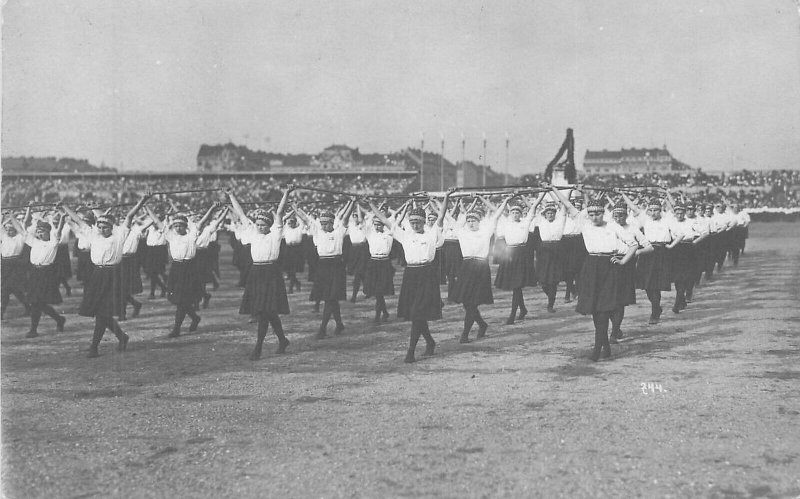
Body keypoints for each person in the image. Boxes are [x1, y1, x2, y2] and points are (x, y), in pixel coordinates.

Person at [63, 195, 150, 357]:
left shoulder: (119, 237)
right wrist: (64, 206)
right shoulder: (94, 236)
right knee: (101, 313)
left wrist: (143, 201)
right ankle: (122, 337)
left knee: (103, 313)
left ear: (112, 227)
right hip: (97, 275)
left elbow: (130, 216)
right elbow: (79, 221)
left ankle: (94, 347)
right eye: (100, 227)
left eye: (106, 227)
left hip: (112, 275)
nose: (103, 230)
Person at [372, 190, 451, 362]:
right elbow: (385, 220)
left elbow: (441, 215)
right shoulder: (405, 235)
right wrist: (371, 204)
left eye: (418, 222)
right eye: (412, 221)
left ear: (424, 222)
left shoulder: (431, 234)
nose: (415, 224)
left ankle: (411, 351)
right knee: (416, 314)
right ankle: (429, 342)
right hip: (411, 275)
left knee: (418, 314)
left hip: (427, 274)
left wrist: (446, 197)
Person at [145, 202, 226, 338]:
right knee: (179, 300)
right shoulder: (171, 236)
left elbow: (203, 221)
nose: (178, 228)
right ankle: (194, 318)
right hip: (176, 268)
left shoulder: (191, 235)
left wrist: (212, 208)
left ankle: (177, 328)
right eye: (175, 226)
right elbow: (157, 221)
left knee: (183, 301)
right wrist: (146, 206)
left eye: (180, 226)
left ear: (185, 226)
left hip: (189, 268)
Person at [228, 187, 292, 359]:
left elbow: (279, 212)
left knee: (266, 312)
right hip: (256, 272)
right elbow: (241, 214)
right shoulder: (252, 233)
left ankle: (258, 348)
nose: (260, 227)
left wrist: (286, 193)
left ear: (270, 226)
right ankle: (282, 340)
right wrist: (231, 195)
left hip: (271, 273)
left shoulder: (275, 235)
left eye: (263, 225)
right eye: (258, 225)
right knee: (267, 311)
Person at [575, 198, 637, 361]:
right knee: (595, 309)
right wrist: (580, 192)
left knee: (603, 309)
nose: (594, 217)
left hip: (609, 268)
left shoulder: (613, 226)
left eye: (598, 213)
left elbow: (633, 244)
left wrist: (623, 261)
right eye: (591, 214)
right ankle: (606, 347)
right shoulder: (585, 225)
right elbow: (569, 207)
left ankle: (597, 350)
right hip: (591, 267)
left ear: (604, 213)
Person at [450, 195, 508, 343]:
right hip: (466, 268)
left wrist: (504, 201)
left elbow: (496, 214)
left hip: (481, 268)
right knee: (466, 302)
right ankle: (482, 324)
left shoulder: (485, 231)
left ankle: (465, 334)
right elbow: (446, 217)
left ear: (479, 221)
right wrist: (442, 199)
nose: (471, 223)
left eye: (473, 220)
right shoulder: (462, 232)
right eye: (468, 221)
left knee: (473, 303)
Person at [294, 198, 355, 339]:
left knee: (330, 298)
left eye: (326, 223)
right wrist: (295, 207)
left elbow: (345, 218)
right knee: (330, 298)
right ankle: (339, 324)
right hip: (322, 266)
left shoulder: (339, 231)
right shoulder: (318, 232)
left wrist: (352, 202)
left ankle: (322, 329)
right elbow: (305, 219)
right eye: (321, 223)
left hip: (336, 265)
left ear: (332, 223)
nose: (323, 226)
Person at [7, 214, 66, 337]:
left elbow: (59, 230)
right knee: (37, 302)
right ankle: (58, 319)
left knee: (37, 303)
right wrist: (12, 217)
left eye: (42, 232)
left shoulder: (53, 243)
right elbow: (21, 230)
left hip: (46, 274)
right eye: (38, 232)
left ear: (48, 232)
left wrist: (62, 218)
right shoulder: (34, 242)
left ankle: (34, 329)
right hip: (35, 273)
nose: (39, 234)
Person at [494, 193, 543, 325]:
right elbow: (496, 212)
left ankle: (512, 315)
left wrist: (541, 194)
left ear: (521, 214)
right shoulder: (506, 222)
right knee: (516, 286)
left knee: (517, 286)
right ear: (510, 213)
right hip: (510, 254)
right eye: (513, 212)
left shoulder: (526, 222)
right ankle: (523, 309)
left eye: (517, 212)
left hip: (522, 255)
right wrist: (506, 200)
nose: (515, 214)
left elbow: (533, 207)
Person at [607, 199, 652, 342]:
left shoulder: (633, 229)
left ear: (626, 216)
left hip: (626, 266)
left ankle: (614, 331)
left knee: (620, 299)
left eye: (621, 215)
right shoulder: (609, 228)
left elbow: (649, 247)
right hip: (609, 263)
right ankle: (616, 327)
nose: (619, 218)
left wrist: (636, 253)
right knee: (607, 298)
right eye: (616, 216)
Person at [635, 197, 682, 325]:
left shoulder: (667, 221)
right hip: (647, 252)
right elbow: (634, 228)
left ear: (660, 210)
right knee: (646, 284)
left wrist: (671, 246)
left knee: (657, 284)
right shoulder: (645, 220)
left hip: (662, 253)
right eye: (650, 210)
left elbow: (680, 234)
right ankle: (656, 306)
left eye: (656, 210)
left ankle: (655, 310)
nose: (653, 212)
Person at [364, 201, 396, 323]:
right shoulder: (370, 234)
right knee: (377, 291)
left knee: (380, 291)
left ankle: (380, 314)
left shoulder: (389, 234)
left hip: (384, 263)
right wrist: (377, 206)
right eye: (376, 225)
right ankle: (382, 313)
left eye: (380, 225)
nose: (378, 227)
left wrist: (382, 210)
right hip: (373, 263)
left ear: (383, 225)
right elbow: (369, 219)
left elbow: (392, 224)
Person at [1, 213, 31, 319]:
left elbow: (22, 226)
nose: (9, 232)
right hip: (4, 266)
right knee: (7, 290)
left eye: (11, 230)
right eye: (7, 230)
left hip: (15, 266)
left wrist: (12, 218)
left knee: (13, 289)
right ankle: (28, 308)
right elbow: (0, 227)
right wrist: (4, 216)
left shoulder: (20, 238)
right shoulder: (4, 237)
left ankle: (1, 313)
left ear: (15, 231)